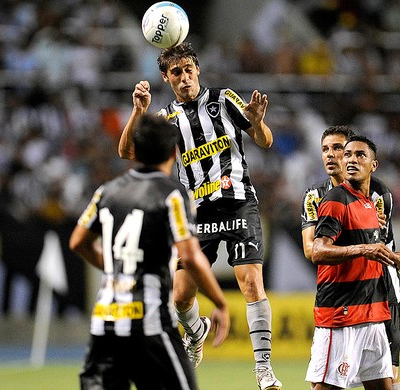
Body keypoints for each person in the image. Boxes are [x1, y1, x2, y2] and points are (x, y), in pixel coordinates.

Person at [118, 42, 282, 390]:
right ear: (166, 77)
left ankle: (264, 368)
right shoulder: (165, 119)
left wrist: (258, 122)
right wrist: (137, 111)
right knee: (180, 297)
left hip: (239, 203)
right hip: (197, 213)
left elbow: (264, 140)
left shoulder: (224, 99)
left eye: (189, 69)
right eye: (176, 72)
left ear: (198, 70)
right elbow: (128, 151)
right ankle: (197, 333)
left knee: (250, 282)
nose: (184, 76)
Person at [70, 114, 230, 390]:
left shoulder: (106, 192)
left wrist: (116, 270)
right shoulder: (172, 194)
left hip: (107, 319)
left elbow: (78, 242)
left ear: (136, 152)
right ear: (173, 152)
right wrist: (220, 303)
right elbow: (190, 256)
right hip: (150, 321)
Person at [301, 126, 400, 389]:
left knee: (389, 384)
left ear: (374, 165)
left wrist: (393, 257)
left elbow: (373, 245)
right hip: (342, 312)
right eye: (344, 153)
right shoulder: (332, 199)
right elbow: (317, 250)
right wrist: (363, 250)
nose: (346, 158)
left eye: (357, 154)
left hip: (372, 312)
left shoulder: (373, 200)